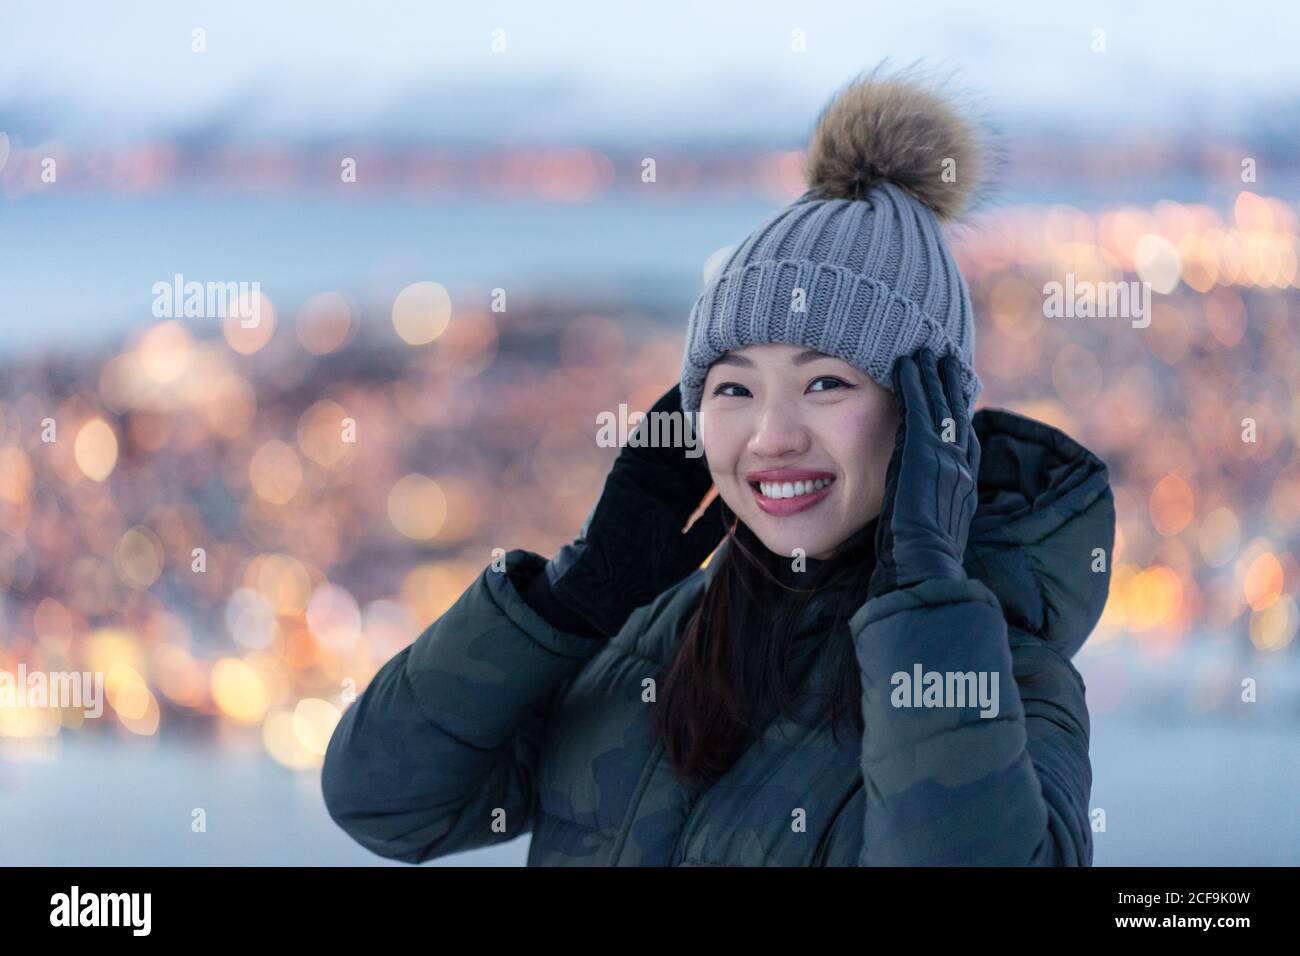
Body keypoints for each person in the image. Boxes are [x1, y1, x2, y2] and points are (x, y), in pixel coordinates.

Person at [321, 67, 1116, 866]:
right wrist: (574, 601)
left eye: (825, 383)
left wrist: (925, 602)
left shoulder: (1007, 683)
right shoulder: (656, 641)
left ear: (926, 417)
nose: (770, 435)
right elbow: (384, 801)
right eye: (733, 386)